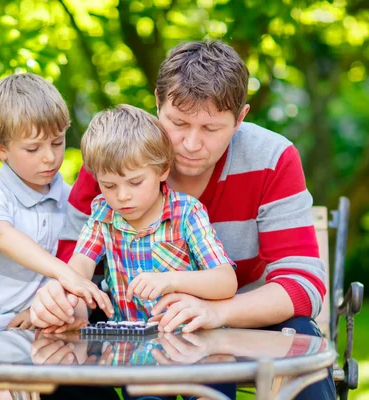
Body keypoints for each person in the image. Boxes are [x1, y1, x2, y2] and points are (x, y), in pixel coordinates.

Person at [31, 40, 336, 400]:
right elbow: (76, 265)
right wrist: (66, 304)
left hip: (246, 317)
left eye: (211, 129)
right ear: (157, 104)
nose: (191, 143)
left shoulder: (273, 158)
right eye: (178, 123)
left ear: (240, 118)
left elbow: (303, 284)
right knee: (58, 354)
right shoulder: (116, 160)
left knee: (301, 348)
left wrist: (215, 311)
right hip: (133, 319)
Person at [0, 73, 112, 400]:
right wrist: (64, 272)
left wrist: (38, 308)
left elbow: (70, 256)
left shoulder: (66, 200)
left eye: (57, 142)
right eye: (33, 148)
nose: (49, 157)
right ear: (1, 149)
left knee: (27, 390)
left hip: (18, 331)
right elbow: (1, 234)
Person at [59, 104, 237, 325]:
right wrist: (70, 289)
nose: (122, 196)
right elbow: (81, 263)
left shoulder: (187, 213)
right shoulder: (103, 214)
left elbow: (226, 280)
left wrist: (170, 280)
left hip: (189, 343)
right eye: (109, 185)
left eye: (135, 182)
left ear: (163, 170)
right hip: (126, 347)